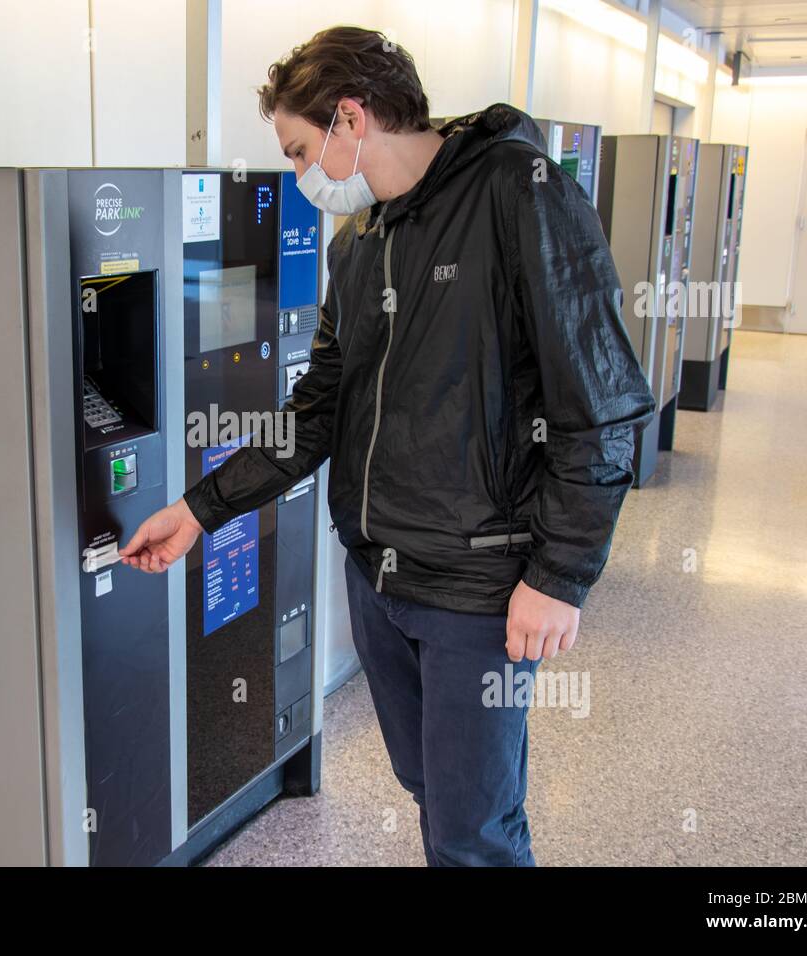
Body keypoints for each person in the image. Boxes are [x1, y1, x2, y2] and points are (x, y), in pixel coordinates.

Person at [119, 25, 655, 866]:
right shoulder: (360, 243)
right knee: (434, 796)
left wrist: (560, 577)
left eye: (300, 150)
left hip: (482, 589)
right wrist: (198, 510)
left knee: (472, 830)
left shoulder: (521, 193)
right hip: (379, 580)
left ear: (351, 117)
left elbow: (604, 402)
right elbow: (316, 413)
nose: (301, 176)